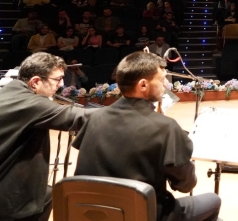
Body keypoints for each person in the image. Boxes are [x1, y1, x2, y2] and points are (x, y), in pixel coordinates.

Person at [73, 53, 221, 221]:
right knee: (213, 201)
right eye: (161, 80)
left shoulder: (95, 118)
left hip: (91, 213)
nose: (165, 85)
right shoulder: (166, 127)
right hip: (142, 214)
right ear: (143, 85)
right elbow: (185, 185)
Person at [0, 53, 92, 221]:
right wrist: (127, 108)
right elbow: (79, 117)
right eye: (57, 79)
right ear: (35, 82)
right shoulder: (28, 103)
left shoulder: (3, 94)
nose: (61, 85)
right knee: (42, 199)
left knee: (46, 195)